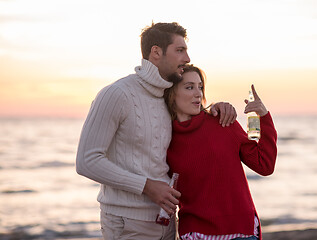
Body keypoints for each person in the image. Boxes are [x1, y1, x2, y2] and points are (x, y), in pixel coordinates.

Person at [76, 22, 237, 240]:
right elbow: (87, 161)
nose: (187, 58)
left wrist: (218, 108)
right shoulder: (116, 94)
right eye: (180, 50)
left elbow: (193, 123)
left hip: (167, 221)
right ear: (156, 52)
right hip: (127, 223)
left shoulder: (168, 96)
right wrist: (146, 186)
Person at [164, 65, 277, 240]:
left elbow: (265, 165)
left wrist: (263, 115)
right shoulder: (163, 138)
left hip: (240, 232)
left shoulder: (223, 122)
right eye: (189, 87)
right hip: (195, 235)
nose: (198, 93)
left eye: (200, 87)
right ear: (171, 94)